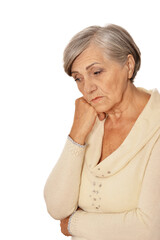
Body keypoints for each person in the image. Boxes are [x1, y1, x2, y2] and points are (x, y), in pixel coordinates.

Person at [44, 24, 160, 240]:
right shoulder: (91, 122)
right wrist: (77, 133)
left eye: (96, 72)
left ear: (128, 65)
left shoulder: (156, 127)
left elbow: (149, 229)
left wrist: (73, 223)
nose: (87, 88)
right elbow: (57, 207)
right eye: (78, 78)